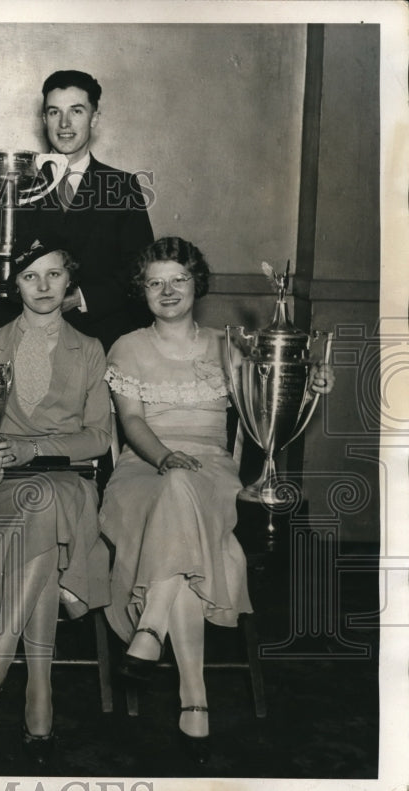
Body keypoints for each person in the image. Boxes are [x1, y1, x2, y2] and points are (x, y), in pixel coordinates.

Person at [100, 237, 335, 764]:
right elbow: (132, 422)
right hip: (142, 471)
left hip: (212, 472)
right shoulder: (127, 347)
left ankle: (151, 627)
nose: (167, 291)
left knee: (185, 491)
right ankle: (195, 697)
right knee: (176, 494)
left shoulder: (228, 346)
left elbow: (267, 414)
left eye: (178, 280)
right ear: (141, 290)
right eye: (155, 282)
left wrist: (309, 385)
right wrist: (164, 458)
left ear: (196, 284)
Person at [0, 242, 112, 769]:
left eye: (54, 275)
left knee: (47, 496)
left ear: (70, 281)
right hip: (3, 485)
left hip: (67, 477)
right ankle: (39, 690)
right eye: (30, 276)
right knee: (40, 518)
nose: (44, 286)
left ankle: (2, 655)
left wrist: (35, 449)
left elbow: (98, 437)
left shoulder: (89, 348)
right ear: (15, 285)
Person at [0, 70, 155, 350]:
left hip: (102, 342)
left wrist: (83, 298)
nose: (64, 123)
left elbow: (141, 271)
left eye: (76, 111)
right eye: (54, 112)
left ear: (94, 117)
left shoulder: (122, 186)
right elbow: (3, 258)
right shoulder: (16, 181)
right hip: (27, 343)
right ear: (44, 119)